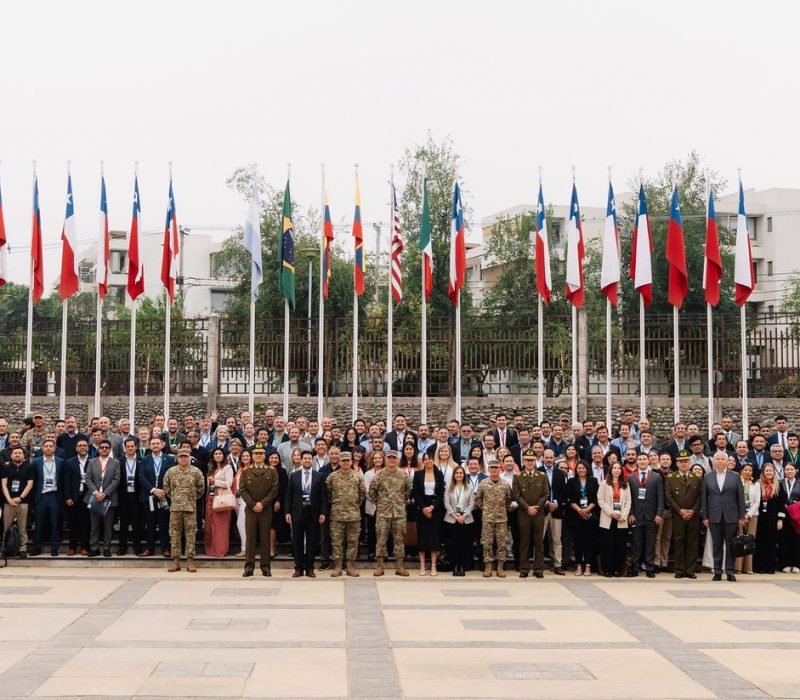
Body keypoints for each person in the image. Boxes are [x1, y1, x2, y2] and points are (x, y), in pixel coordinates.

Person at [702, 451, 746, 581]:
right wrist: (705, 517)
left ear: (727, 461)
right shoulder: (707, 477)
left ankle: (730, 571)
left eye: (722, 459)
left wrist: (741, 517)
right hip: (714, 516)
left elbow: (740, 498)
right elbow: (704, 498)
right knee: (716, 545)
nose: (720, 461)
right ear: (714, 461)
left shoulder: (735, 476)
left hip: (731, 516)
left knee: (730, 545)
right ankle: (717, 571)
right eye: (718, 459)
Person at [369, 450, 412, 576]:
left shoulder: (403, 475)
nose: (392, 460)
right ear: (385, 459)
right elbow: (372, 492)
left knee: (399, 539)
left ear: (397, 460)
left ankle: (400, 566)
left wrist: (399, 502)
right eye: (389, 458)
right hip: (383, 512)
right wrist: (382, 502)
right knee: (381, 539)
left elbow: (408, 492)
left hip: (399, 513)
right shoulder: (379, 475)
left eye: (394, 458)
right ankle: (380, 566)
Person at [285, 450, 327, 577]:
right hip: (298, 512)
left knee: (312, 541)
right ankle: (298, 568)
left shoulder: (319, 476)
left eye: (309, 458)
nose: (307, 460)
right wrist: (287, 512)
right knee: (297, 541)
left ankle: (310, 568)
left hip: (313, 512)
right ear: (301, 460)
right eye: (305, 458)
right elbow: (288, 495)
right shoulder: (294, 475)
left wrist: (323, 512)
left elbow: (323, 497)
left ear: (312, 461)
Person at [240, 443, 280, 577]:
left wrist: (262, 503)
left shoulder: (271, 470)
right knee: (250, 538)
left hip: (265, 509)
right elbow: (242, 490)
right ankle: (249, 567)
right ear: (252, 456)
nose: (258, 455)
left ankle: (265, 567)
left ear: (264, 455)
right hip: (251, 509)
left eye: (261, 453)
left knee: (265, 539)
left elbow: (274, 490)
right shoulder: (246, 471)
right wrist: (253, 504)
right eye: (256, 453)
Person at [163, 448, 205, 572]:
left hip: (190, 508)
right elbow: (166, 487)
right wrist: (175, 498)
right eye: (181, 456)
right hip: (175, 508)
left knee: (190, 534)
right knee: (174, 533)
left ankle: (190, 561)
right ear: (177, 458)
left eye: (185, 456)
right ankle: (175, 561)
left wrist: (191, 498)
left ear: (189, 457)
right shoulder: (171, 471)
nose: (183, 458)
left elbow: (201, 488)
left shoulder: (196, 471)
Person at [326, 451, 366, 577]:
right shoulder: (332, 477)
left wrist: (353, 505)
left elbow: (362, 494)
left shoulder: (358, 476)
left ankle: (350, 567)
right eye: (343, 460)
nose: (345, 463)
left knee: (353, 542)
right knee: (337, 542)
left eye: (347, 460)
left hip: (353, 515)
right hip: (336, 515)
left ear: (351, 461)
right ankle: (337, 567)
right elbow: (328, 494)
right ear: (339, 462)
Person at [512, 448, 550, 578]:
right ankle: (524, 569)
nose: (529, 462)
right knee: (524, 542)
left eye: (532, 460)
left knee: (539, 542)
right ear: (523, 461)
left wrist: (536, 507)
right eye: (527, 460)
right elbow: (516, 496)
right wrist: (528, 508)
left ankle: (538, 569)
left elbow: (546, 494)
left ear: (535, 461)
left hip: (538, 513)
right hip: (524, 513)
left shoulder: (542, 476)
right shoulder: (517, 476)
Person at [665, 450, 701, 579]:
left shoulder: (696, 478)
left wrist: (693, 510)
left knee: (692, 543)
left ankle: (690, 570)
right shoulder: (670, 478)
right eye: (681, 461)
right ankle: (679, 570)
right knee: (678, 542)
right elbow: (669, 496)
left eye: (686, 461)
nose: (683, 464)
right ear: (676, 463)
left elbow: (700, 497)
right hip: (677, 515)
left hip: (693, 515)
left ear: (690, 462)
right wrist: (680, 510)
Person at [627, 452, 664, 578]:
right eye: (640, 459)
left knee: (650, 543)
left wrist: (659, 514)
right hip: (636, 516)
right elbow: (628, 498)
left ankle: (649, 568)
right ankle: (635, 567)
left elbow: (660, 497)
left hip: (652, 516)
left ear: (649, 461)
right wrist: (631, 513)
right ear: (637, 462)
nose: (642, 461)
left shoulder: (656, 477)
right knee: (636, 543)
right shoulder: (631, 477)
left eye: (644, 459)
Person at [138, 435, 175, 558]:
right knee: (150, 523)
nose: (155, 445)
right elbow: (141, 476)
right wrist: (154, 490)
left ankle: (166, 548)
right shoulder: (145, 459)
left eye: (157, 443)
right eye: (153, 443)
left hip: (164, 496)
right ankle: (150, 548)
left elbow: (172, 476)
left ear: (162, 445)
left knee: (164, 523)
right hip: (149, 496)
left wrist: (164, 490)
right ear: (149, 446)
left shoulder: (169, 459)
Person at [84, 439, 121, 558]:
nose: (104, 449)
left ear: (110, 449)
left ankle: (106, 548)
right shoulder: (91, 461)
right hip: (94, 498)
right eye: (102, 447)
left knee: (108, 526)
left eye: (106, 447)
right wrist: (96, 493)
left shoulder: (116, 463)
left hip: (108, 499)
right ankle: (94, 548)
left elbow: (116, 480)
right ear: (98, 449)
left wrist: (104, 494)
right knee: (94, 526)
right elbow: (88, 479)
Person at [475, 461, 512, 577]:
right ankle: (488, 567)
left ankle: (500, 567)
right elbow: (478, 499)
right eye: (492, 467)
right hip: (488, 519)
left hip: (501, 519)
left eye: (496, 467)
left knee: (502, 543)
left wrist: (501, 509)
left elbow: (509, 500)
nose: (494, 470)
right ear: (489, 469)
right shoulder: (483, 483)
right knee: (487, 543)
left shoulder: (505, 484)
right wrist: (486, 509)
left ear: (499, 469)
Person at [31, 438, 65, 556]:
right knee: (39, 523)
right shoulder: (36, 462)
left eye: (51, 446)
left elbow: (63, 480)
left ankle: (54, 548)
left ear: (54, 449)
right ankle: (37, 547)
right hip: (41, 496)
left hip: (55, 496)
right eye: (46, 446)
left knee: (55, 523)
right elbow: (34, 481)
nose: (48, 448)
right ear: (42, 448)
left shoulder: (61, 462)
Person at [412, 452, 445, 576]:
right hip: (421, 509)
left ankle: (433, 566)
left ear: (433, 460)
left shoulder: (439, 474)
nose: (428, 461)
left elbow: (441, 493)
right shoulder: (418, 474)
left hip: (435, 509)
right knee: (422, 538)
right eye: (425, 459)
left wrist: (432, 507)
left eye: (430, 459)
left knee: (434, 538)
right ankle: (422, 566)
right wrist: (423, 508)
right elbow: (415, 493)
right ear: (423, 461)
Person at [566, 461, 599, 576]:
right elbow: (569, 498)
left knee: (589, 541)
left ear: (587, 469)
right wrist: (580, 510)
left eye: (583, 468)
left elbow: (596, 498)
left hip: (589, 515)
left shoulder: (593, 481)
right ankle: (579, 566)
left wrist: (587, 510)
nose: (581, 470)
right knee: (578, 541)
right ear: (576, 470)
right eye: (579, 468)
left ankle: (588, 566)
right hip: (576, 515)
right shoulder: (571, 481)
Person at [597, 462, 630, 577]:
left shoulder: (625, 484)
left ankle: (617, 569)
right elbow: (600, 500)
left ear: (621, 470)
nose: (617, 470)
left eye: (619, 468)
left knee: (619, 545)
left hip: (621, 519)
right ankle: (607, 569)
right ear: (611, 470)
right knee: (608, 545)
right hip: (608, 518)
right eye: (614, 468)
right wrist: (611, 513)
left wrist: (623, 516)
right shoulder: (604, 483)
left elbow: (628, 501)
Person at [1, 446, 34, 558]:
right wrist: (9, 499)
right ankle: (5, 549)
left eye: (20, 453)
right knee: (6, 527)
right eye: (15, 453)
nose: (17, 455)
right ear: (11, 456)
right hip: (8, 502)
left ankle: (22, 549)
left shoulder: (29, 467)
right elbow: (4, 485)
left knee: (22, 527)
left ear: (23, 456)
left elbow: (30, 484)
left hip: (23, 501)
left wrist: (20, 497)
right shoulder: (6, 467)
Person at [539, 448, 567, 575]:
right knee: (539, 538)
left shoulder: (560, 473)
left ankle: (557, 565)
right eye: (547, 457)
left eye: (551, 457)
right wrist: (546, 503)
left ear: (554, 458)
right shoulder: (538, 472)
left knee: (557, 539)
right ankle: (538, 565)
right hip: (542, 510)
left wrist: (555, 502)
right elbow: (537, 492)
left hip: (556, 510)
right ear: (543, 458)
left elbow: (563, 492)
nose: (549, 460)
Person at [444, 464, 474, 577]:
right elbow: (446, 503)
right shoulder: (449, 487)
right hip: (452, 519)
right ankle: (455, 565)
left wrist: (463, 516)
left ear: (464, 475)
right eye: (457, 473)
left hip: (466, 519)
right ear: (454, 475)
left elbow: (471, 504)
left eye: (461, 473)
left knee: (464, 543)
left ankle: (462, 565)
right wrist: (455, 516)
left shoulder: (469, 487)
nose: (459, 475)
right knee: (453, 543)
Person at [63, 438, 91, 556]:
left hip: (88, 496)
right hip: (74, 497)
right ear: (76, 448)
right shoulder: (69, 462)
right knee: (73, 523)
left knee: (87, 523)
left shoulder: (93, 461)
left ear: (88, 447)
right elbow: (66, 482)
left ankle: (85, 547)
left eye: (84, 445)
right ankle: (72, 547)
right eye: (80, 445)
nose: (82, 447)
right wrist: (68, 497)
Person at [204, 447, 233, 558]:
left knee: (220, 525)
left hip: (221, 498)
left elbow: (229, 483)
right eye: (215, 454)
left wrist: (215, 481)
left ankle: (220, 551)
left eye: (220, 453)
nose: (218, 455)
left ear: (224, 455)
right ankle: (211, 550)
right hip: (210, 497)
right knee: (210, 524)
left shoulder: (227, 467)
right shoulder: (211, 468)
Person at [754, 463, 782, 574]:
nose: (769, 473)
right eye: (767, 471)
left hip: (773, 519)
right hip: (760, 518)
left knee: (771, 543)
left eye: (771, 471)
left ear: (774, 472)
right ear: (763, 472)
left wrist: (780, 519)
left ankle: (770, 567)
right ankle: (760, 567)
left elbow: (781, 504)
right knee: (760, 542)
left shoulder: (778, 485)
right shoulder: (758, 484)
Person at [117, 437, 143, 556]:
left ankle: (137, 546)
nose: (130, 448)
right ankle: (122, 547)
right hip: (123, 495)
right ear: (125, 448)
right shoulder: (119, 461)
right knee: (123, 523)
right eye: (128, 446)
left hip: (137, 495)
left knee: (137, 522)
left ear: (136, 447)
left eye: (132, 446)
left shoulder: (142, 460)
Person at [735, 463, 761, 574]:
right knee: (740, 540)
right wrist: (742, 515)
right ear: (741, 471)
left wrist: (748, 515)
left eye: (750, 470)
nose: (748, 472)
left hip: (752, 515)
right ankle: (738, 567)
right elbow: (734, 499)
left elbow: (757, 501)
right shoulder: (737, 482)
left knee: (750, 540)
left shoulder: (756, 484)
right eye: (745, 470)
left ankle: (748, 567)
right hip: (739, 515)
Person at [779, 462, 800, 573]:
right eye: (787, 469)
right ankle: (785, 563)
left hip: (797, 515)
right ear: (784, 471)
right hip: (784, 514)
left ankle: (797, 564)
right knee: (784, 539)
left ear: (795, 470)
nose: (789, 471)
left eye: (791, 469)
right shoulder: (780, 483)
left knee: (797, 539)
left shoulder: (799, 482)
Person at [364, 449, 384, 561]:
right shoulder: (368, 474)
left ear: (383, 459)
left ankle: (382, 552)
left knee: (383, 530)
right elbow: (366, 490)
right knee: (372, 530)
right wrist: (376, 499)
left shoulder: (387, 472)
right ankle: (371, 552)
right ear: (372, 460)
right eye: (375, 458)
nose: (377, 460)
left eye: (379, 458)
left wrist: (383, 500)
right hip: (372, 505)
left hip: (385, 506)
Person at [233, 448, 252, 557]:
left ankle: (245, 549)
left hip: (246, 499)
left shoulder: (252, 469)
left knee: (240, 524)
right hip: (237, 499)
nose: (245, 457)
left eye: (247, 456)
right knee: (243, 524)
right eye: (243, 456)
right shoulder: (240, 469)